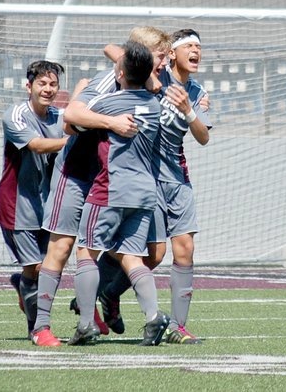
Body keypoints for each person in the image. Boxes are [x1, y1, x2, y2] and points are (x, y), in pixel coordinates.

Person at [29, 27, 169, 347]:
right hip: (78, 172)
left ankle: (91, 315)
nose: (165, 61)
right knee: (63, 247)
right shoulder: (110, 83)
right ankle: (42, 326)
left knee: (125, 252)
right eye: (161, 56)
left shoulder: (147, 85)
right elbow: (70, 120)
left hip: (111, 180)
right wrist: (111, 121)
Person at [97, 29, 212, 344]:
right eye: (188, 45)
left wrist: (189, 110)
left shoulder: (198, 90)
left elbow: (203, 137)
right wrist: (149, 78)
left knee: (185, 250)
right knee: (153, 254)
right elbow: (111, 47)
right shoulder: (155, 76)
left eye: (199, 47)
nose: (196, 51)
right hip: (146, 177)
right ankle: (104, 293)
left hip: (178, 178)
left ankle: (178, 327)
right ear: (171, 54)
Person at [64, 40, 167, 346]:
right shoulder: (154, 104)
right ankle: (153, 316)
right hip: (145, 192)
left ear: (120, 73)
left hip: (110, 189)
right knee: (133, 257)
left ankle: (85, 324)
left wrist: (83, 89)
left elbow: (72, 115)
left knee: (86, 252)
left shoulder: (110, 103)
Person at [0, 60, 68, 338]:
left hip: (48, 204)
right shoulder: (15, 114)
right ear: (29, 86)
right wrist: (70, 141)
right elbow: (36, 146)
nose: (47, 89)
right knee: (38, 266)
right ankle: (37, 330)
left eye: (53, 84)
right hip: (17, 204)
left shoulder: (59, 117)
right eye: (42, 83)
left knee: (45, 266)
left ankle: (22, 285)